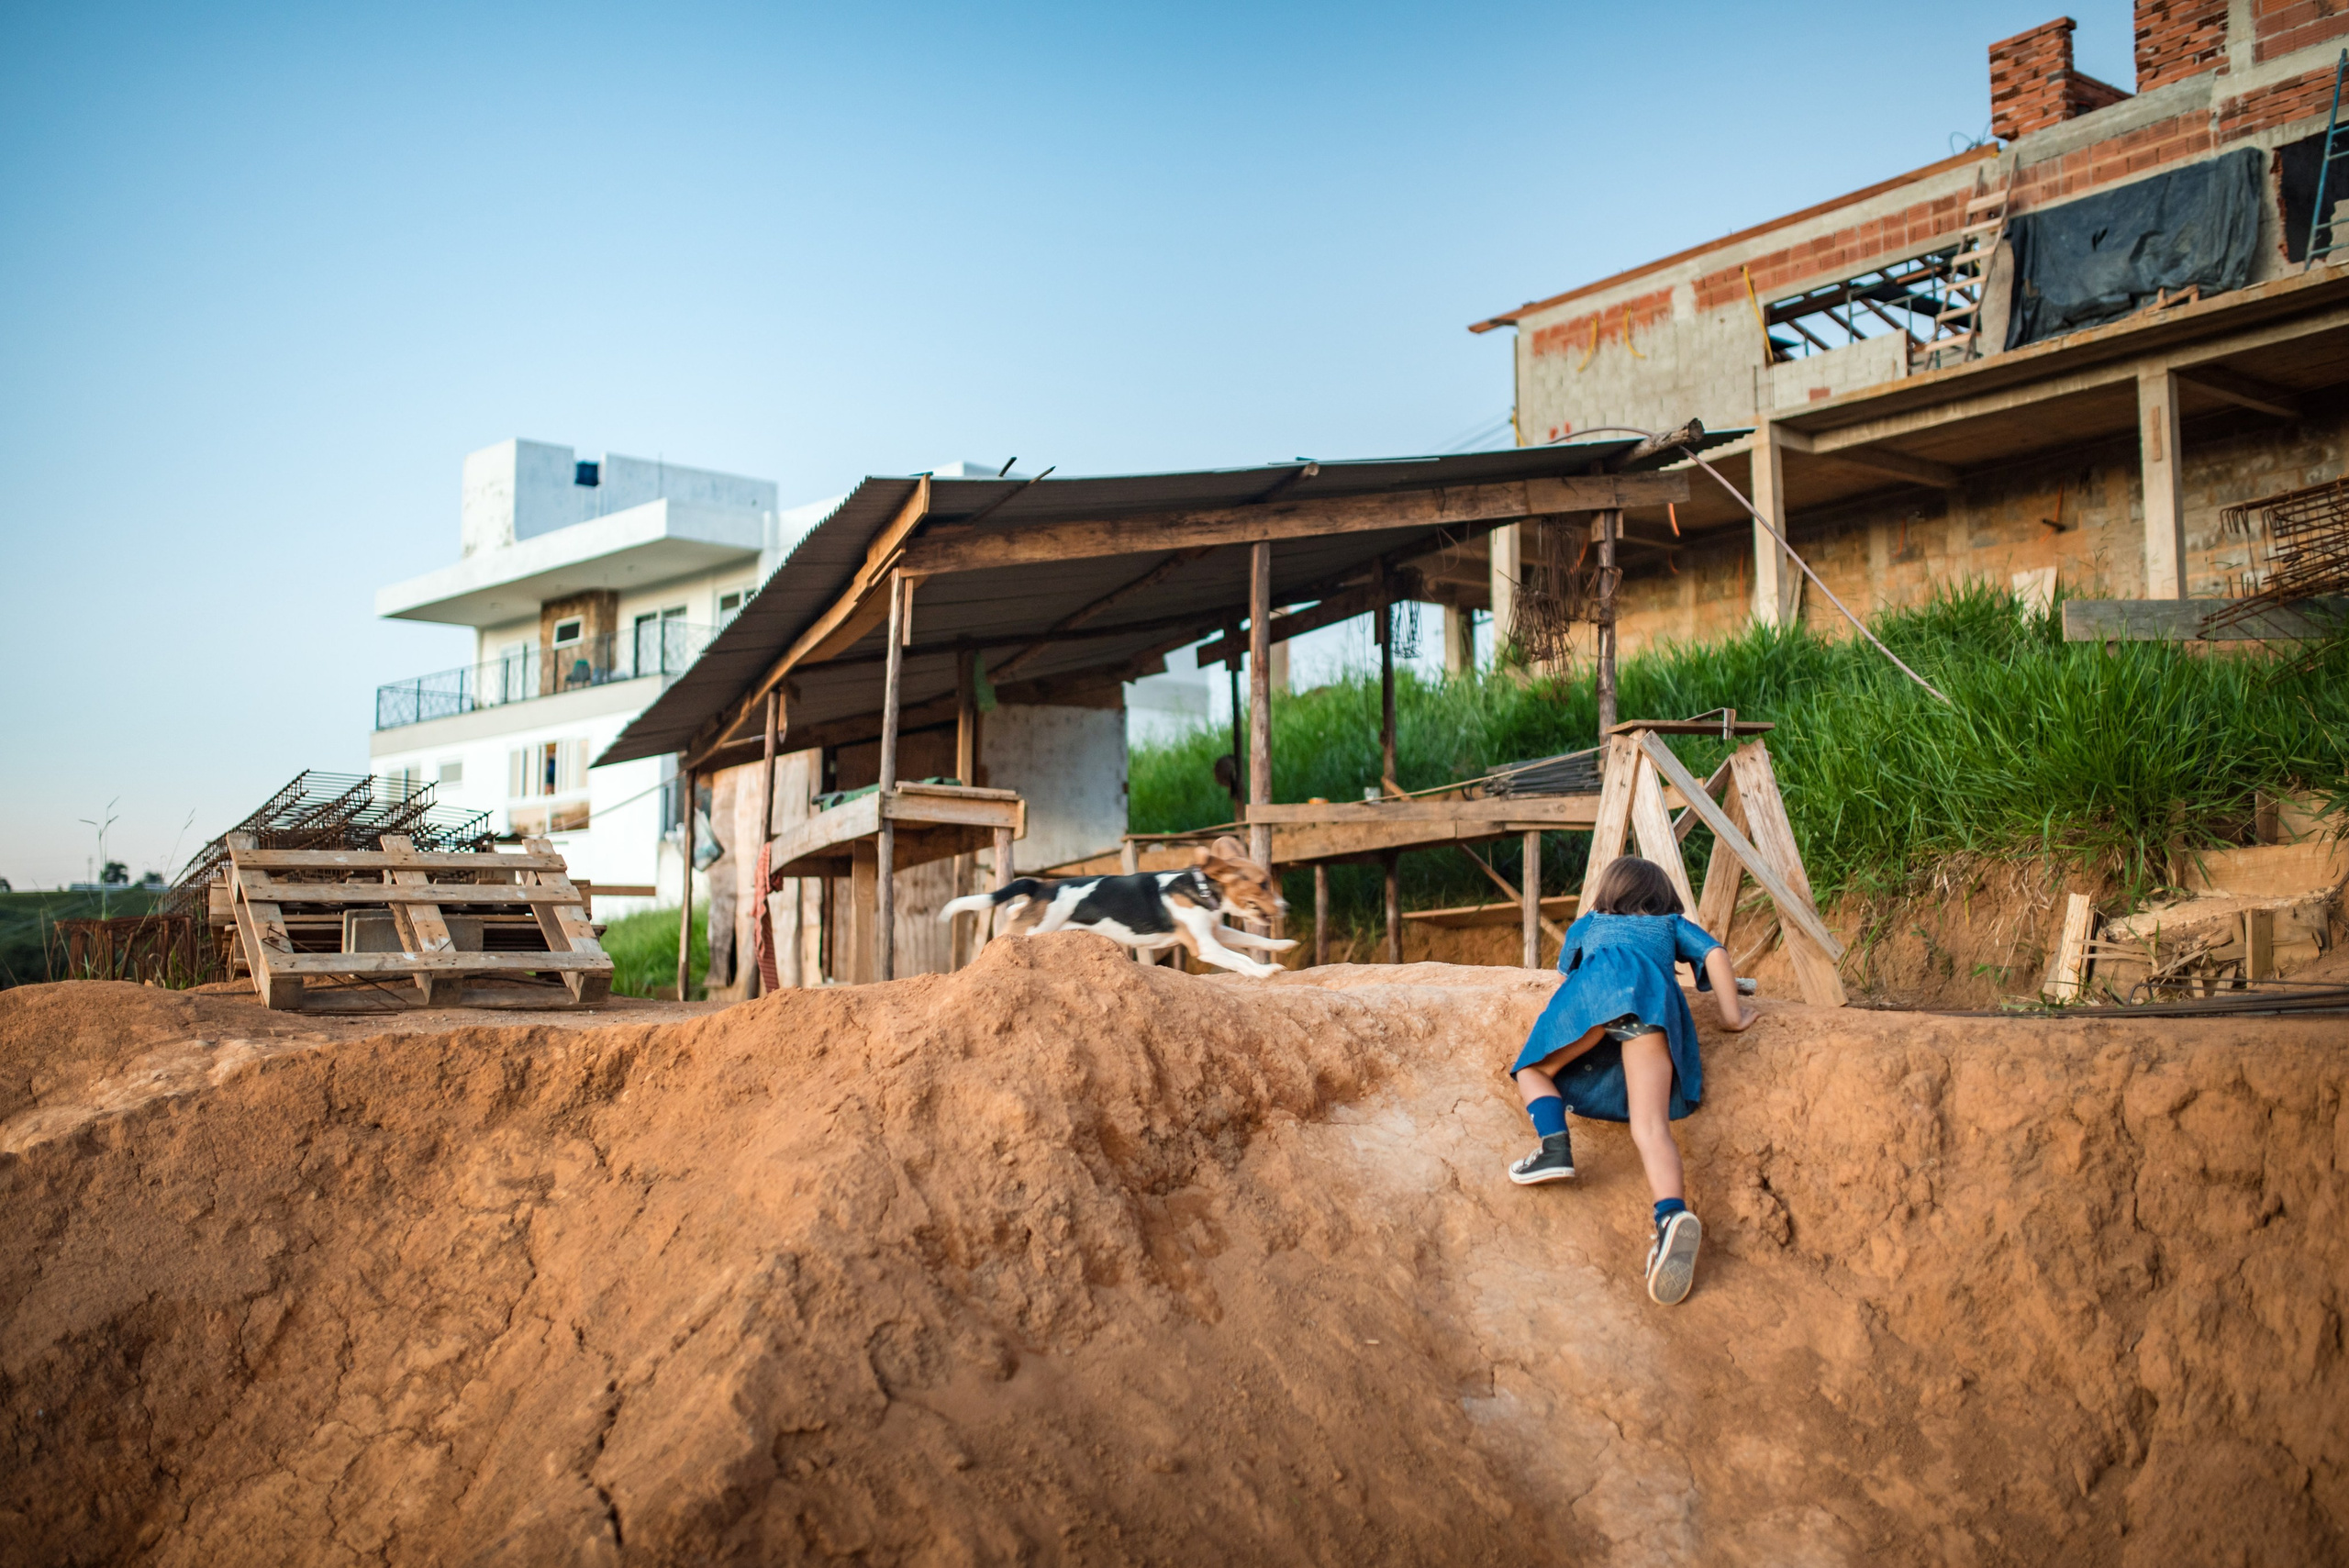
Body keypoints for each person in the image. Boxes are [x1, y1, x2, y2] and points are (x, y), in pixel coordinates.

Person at [1505, 854, 1755, 1306]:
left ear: (1608, 895)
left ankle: (1553, 1147)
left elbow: (1567, 972)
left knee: (1534, 1069)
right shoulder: (1670, 924)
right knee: (1651, 1128)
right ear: (1662, 898)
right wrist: (1731, 1016)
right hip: (1651, 1009)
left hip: (1598, 994)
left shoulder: (1591, 921)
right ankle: (1670, 1216)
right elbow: (1716, 953)